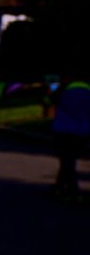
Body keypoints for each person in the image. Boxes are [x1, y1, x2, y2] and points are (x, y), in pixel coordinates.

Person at [48, 72, 90, 201]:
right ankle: (59, 187)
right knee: (69, 159)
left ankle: (73, 191)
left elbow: (49, 101)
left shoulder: (63, 90)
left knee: (66, 161)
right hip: (81, 130)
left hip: (62, 129)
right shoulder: (88, 90)